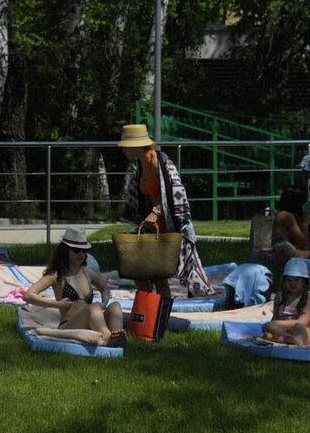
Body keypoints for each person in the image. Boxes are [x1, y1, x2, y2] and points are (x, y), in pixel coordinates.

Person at [119, 123, 214, 298]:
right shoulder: (141, 164)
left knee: (157, 276)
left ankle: (159, 312)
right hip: (152, 226)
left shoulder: (159, 163)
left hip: (165, 227)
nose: (123, 151)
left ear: (136, 147)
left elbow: (174, 195)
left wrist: (155, 213)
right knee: (140, 273)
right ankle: (149, 309)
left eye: (125, 147)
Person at [23, 228, 124, 345]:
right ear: (66, 251)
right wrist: (56, 304)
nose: (81, 254)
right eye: (76, 250)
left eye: (84, 250)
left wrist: (104, 303)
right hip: (68, 325)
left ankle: (117, 334)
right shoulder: (56, 275)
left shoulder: (88, 272)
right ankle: (107, 336)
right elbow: (28, 295)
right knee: (93, 307)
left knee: (115, 306)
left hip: (89, 322)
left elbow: (105, 288)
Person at [261, 257, 310, 347]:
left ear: (304, 281)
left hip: (306, 336)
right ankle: (288, 339)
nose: (292, 284)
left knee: (299, 326)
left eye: (297, 280)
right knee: (266, 326)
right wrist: (273, 327)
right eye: (289, 280)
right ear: (284, 281)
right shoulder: (279, 297)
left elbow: (303, 322)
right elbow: (275, 318)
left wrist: (276, 324)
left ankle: (297, 341)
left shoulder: (309, 299)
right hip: (284, 332)